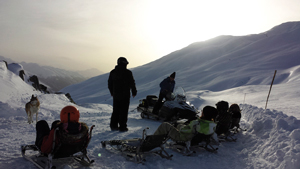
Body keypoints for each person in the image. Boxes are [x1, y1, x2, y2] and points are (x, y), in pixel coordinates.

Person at [153, 105, 218, 142]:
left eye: (202, 111)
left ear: (204, 114)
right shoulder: (212, 125)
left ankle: (153, 140)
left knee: (165, 125)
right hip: (196, 138)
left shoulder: (196, 123)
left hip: (184, 138)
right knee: (180, 124)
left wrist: (181, 127)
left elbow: (183, 130)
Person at [108, 57, 137, 132]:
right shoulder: (128, 73)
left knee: (116, 111)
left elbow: (110, 84)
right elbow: (132, 83)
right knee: (123, 112)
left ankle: (113, 126)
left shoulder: (113, 72)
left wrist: (112, 92)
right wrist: (134, 92)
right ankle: (122, 127)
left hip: (116, 95)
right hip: (125, 95)